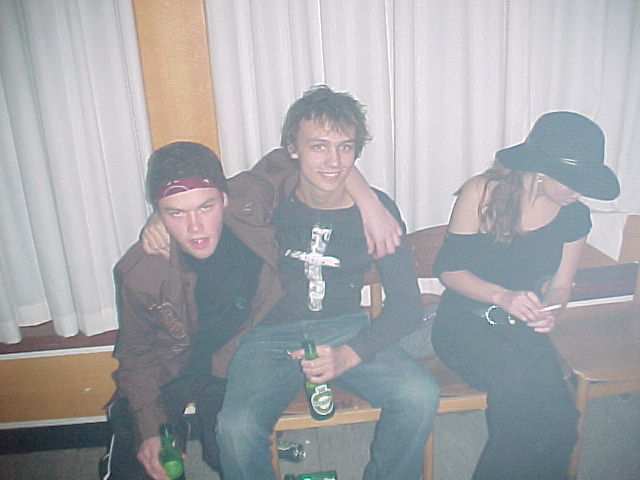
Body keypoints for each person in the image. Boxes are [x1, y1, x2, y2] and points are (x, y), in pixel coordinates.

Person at [106, 131, 405, 477]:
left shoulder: (249, 202)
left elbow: (318, 159)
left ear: (225, 198)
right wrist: (150, 430)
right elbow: (137, 356)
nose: (195, 227)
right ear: (158, 211)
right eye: (176, 213)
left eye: (206, 207)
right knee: (142, 467)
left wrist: (370, 202)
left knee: (230, 447)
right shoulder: (140, 272)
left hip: (228, 363)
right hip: (167, 372)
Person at [213, 85, 439, 480]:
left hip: (344, 327)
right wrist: (160, 221)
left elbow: (406, 306)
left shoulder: (378, 211)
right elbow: (200, 200)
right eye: (318, 146)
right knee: (235, 429)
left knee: (419, 394)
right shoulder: (268, 201)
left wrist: (350, 354)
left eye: (345, 147)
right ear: (292, 148)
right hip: (268, 332)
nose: (333, 161)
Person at [430, 111, 620, 479]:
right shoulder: (484, 193)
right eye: (572, 181)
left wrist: (551, 311)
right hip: (464, 324)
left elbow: (561, 286)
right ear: (541, 170)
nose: (578, 192)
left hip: (521, 328)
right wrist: (503, 296)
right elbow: (448, 270)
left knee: (561, 424)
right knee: (520, 409)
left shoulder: (574, 216)